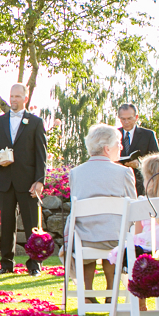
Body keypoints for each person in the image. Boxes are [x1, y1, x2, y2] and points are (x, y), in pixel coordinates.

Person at [111, 153, 159, 312]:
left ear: (149, 178)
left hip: (148, 255)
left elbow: (138, 234)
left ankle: (140, 295)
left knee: (131, 255)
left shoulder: (142, 203)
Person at [67, 124, 138, 293]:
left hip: (84, 238)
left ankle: (87, 292)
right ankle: (111, 292)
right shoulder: (124, 172)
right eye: (118, 143)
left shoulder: (76, 172)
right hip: (116, 239)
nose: (121, 147)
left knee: (88, 229)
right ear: (107, 149)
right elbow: (133, 207)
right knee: (115, 231)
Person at [0, 83, 48, 275]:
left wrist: (40, 180)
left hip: (29, 182)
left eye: (17, 96)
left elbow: (41, 155)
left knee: (32, 225)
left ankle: (34, 265)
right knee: (7, 225)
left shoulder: (36, 123)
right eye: (11, 96)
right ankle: (6, 264)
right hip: (6, 181)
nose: (13, 100)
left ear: (25, 98)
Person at [116, 103, 159, 194]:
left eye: (129, 118)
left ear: (136, 117)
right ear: (119, 118)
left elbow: (156, 161)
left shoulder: (148, 135)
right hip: (118, 184)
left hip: (141, 185)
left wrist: (139, 164)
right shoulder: (113, 134)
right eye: (123, 119)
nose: (126, 122)